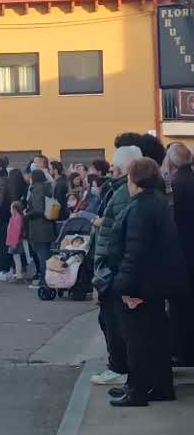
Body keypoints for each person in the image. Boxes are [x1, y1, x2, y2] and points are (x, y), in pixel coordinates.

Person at [108, 157, 186, 406]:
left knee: (138, 340)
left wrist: (125, 287)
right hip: (155, 283)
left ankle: (137, 390)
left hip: (141, 286)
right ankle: (160, 386)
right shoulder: (158, 202)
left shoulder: (141, 207)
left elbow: (135, 252)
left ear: (134, 178)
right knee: (156, 337)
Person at [90, 145, 143, 387]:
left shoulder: (123, 192)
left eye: (113, 166)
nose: (111, 170)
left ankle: (119, 367)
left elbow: (117, 236)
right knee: (114, 321)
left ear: (122, 168)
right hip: (115, 269)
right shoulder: (125, 191)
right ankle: (120, 365)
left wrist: (103, 275)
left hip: (112, 270)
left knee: (113, 322)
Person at [164, 143, 194, 366]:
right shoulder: (189, 180)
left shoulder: (175, 186)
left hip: (182, 256)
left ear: (171, 162)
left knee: (181, 308)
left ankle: (183, 352)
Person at [26, 169, 56, 286]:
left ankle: (44, 281)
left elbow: (38, 209)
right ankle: (48, 280)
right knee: (46, 255)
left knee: (42, 255)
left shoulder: (37, 189)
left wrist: (27, 215)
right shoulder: (47, 187)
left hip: (39, 226)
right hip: (48, 225)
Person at [4, 200, 26, 282]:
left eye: (11, 209)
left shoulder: (16, 218)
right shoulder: (17, 217)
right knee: (16, 258)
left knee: (16, 258)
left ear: (14, 209)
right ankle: (18, 273)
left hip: (14, 242)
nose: (10, 211)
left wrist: (14, 243)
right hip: (14, 241)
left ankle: (19, 274)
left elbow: (16, 231)